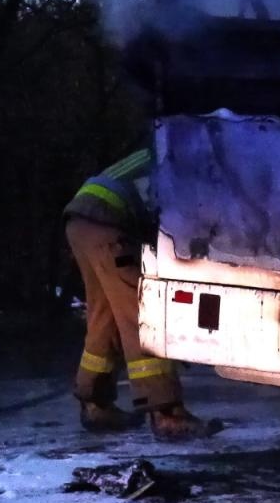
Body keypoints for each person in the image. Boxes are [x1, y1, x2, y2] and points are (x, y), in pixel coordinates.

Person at [64, 148, 214, 441]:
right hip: (110, 224)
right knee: (143, 316)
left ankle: (94, 402)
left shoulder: (161, 147)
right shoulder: (190, 165)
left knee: (104, 315)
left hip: (80, 219)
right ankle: (166, 412)